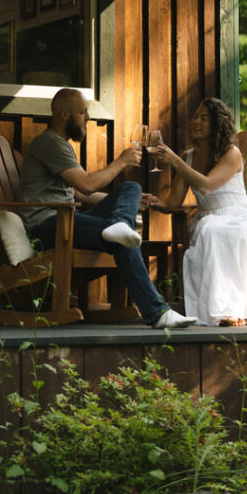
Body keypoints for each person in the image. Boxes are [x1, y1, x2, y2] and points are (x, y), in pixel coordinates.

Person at [19, 88, 196, 328]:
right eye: (82, 112)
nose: (87, 118)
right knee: (121, 238)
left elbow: (79, 193)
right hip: (49, 227)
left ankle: (118, 224)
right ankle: (157, 312)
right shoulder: (49, 143)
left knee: (131, 188)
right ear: (63, 114)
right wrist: (121, 161)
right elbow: (87, 185)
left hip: (65, 220)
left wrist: (127, 200)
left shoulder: (59, 145)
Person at [151, 98, 247, 326]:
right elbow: (174, 201)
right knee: (211, 230)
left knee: (235, 233)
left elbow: (207, 186)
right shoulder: (189, 157)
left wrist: (174, 161)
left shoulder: (232, 153)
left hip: (240, 213)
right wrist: (153, 202)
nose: (196, 122)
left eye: (204, 118)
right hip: (209, 216)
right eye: (195, 117)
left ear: (218, 124)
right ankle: (223, 310)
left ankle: (238, 309)